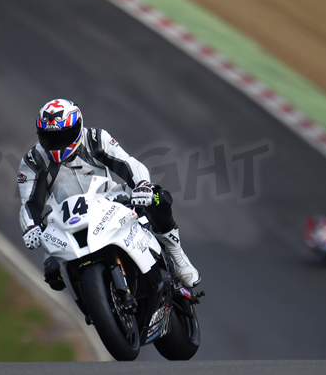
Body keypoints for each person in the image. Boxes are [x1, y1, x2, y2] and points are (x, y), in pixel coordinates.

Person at [17, 98, 200, 290]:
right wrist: (31, 227)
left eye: (64, 136)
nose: (58, 144)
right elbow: (30, 203)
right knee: (53, 275)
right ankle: (98, 306)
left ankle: (176, 254)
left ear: (78, 127)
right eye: (50, 138)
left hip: (109, 200)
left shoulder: (95, 138)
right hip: (66, 220)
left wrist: (141, 185)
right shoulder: (33, 160)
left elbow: (127, 163)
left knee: (157, 196)